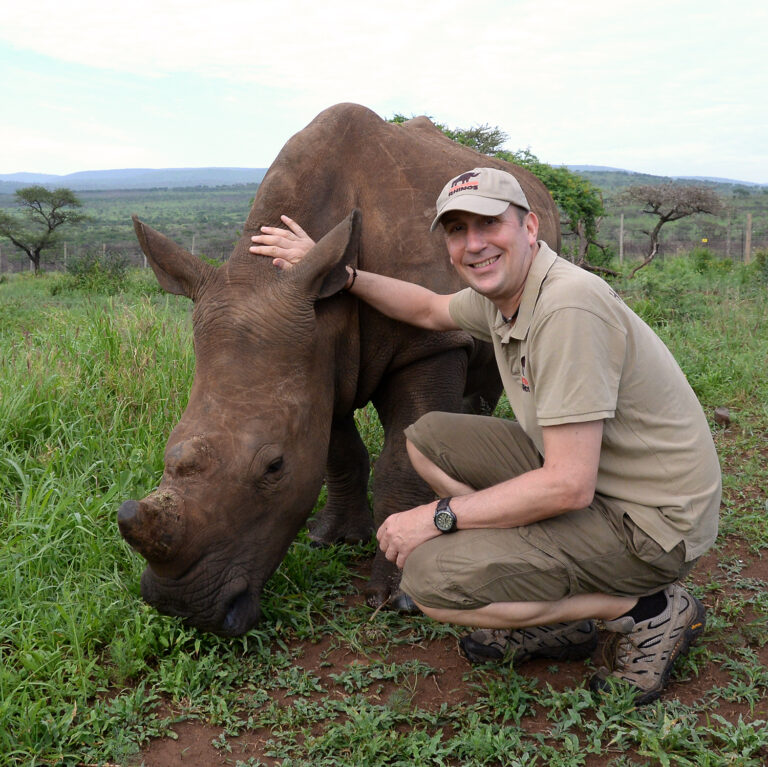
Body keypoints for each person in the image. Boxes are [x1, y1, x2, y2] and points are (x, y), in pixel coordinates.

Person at [249, 167, 720, 705]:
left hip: (653, 525)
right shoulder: (513, 292)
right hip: (601, 483)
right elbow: (427, 308)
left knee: (429, 580)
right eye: (457, 230)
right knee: (427, 438)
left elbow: (568, 486)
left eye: (489, 224)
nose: (473, 244)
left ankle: (645, 609)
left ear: (529, 227)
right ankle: (547, 578)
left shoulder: (566, 309)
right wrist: (340, 273)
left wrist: (437, 517)